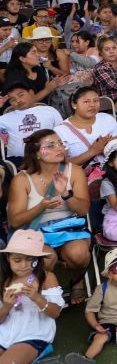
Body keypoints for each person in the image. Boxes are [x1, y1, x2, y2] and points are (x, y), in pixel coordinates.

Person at [7, 129, 92, 302]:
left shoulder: (74, 171)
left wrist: (66, 194)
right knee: (46, 259)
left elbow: (83, 210)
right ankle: (47, 292)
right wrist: (40, 207)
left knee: (79, 254)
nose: (59, 148)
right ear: (37, 153)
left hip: (68, 226)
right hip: (34, 230)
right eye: (51, 146)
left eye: (60, 143)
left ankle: (77, 280)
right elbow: (15, 220)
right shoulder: (22, 179)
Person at [0, 230, 65, 364]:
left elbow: (55, 313)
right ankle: (21, 359)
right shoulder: (4, 280)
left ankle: (33, 353)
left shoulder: (46, 277)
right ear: (8, 259)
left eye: (30, 260)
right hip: (4, 334)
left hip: (33, 335)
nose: (24, 265)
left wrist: (36, 297)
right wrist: (7, 307)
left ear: (38, 259)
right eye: (17, 260)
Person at [65, 245, 117, 364]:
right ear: (110, 274)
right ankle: (86, 358)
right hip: (110, 322)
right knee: (99, 337)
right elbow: (89, 310)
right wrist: (96, 325)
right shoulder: (102, 289)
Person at [0, 80, 63, 167]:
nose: (18, 100)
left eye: (21, 95)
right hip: (20, 161)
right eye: (13, 99)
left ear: (31, 93)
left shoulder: (49, 110)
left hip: (49, 156)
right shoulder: (5, 118)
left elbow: (61, 134)